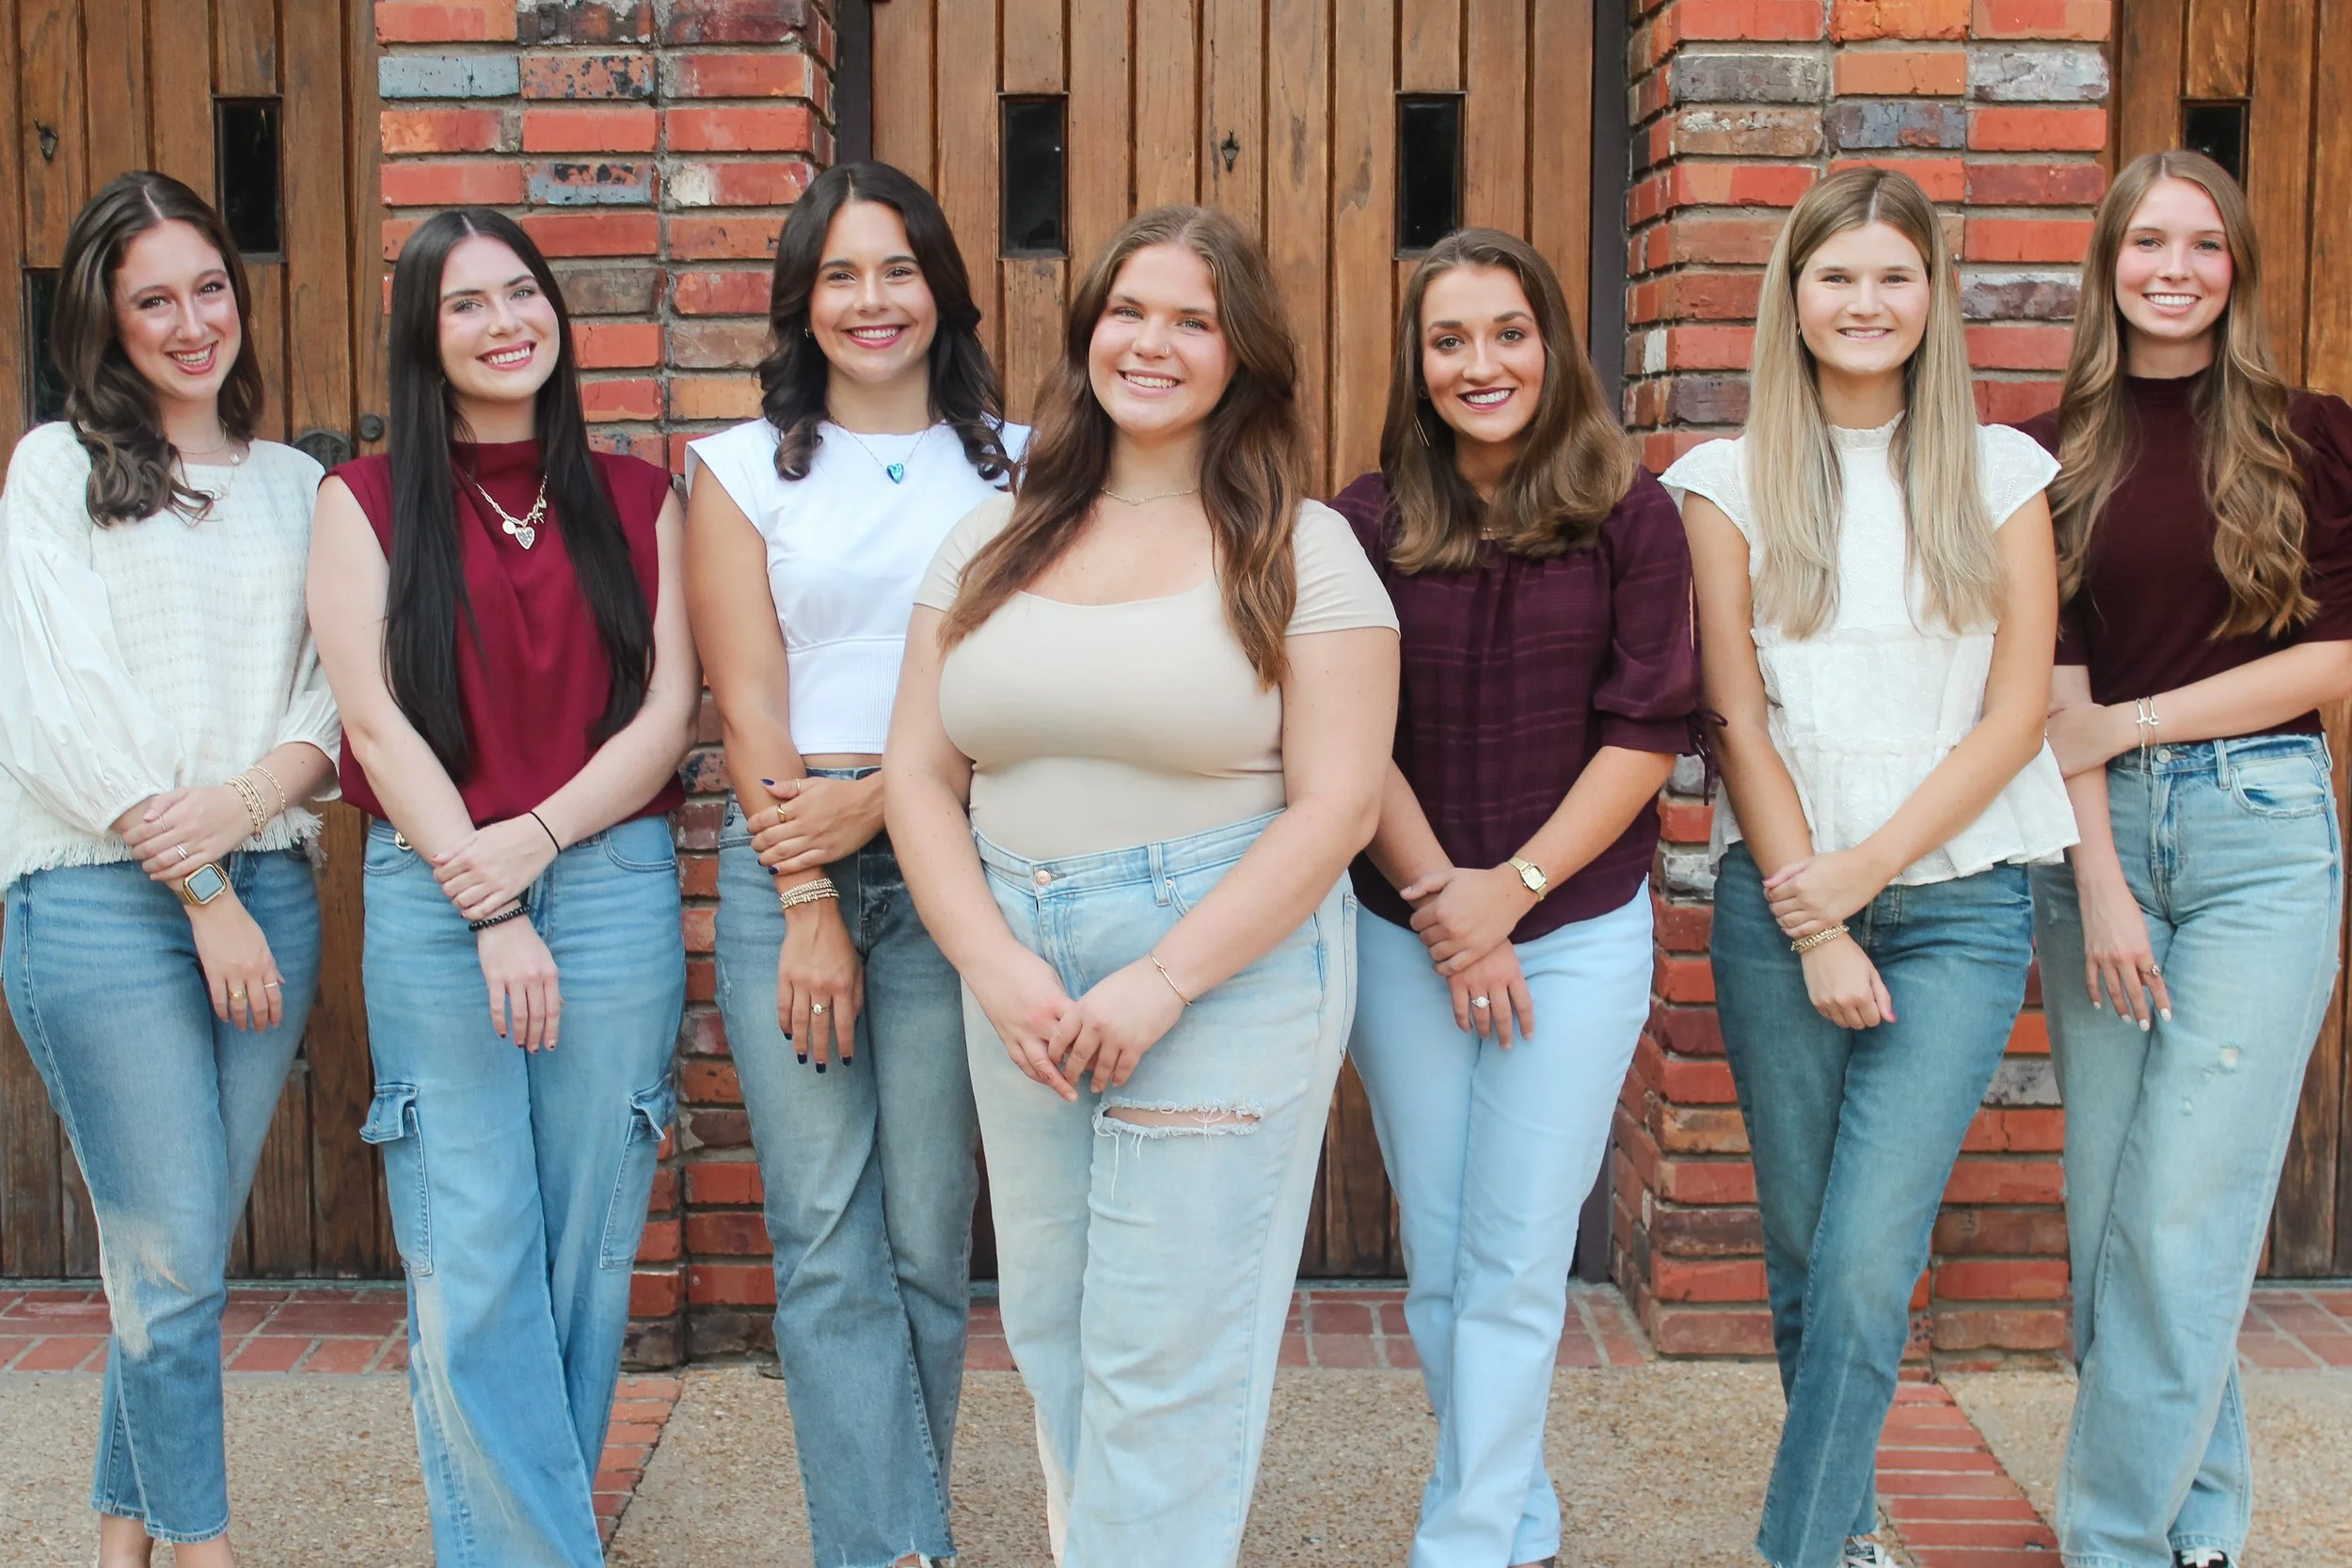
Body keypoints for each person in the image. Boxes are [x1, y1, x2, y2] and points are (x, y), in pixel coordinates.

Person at [884, 204, 1399, 1566]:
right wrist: (996, 965)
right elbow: (920, 780)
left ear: (1243, 356)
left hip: (1221, 965)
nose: (1151, 342)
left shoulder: (1306, 548)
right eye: (1129, 310)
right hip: (1024, 966)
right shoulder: (988, 540)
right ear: (1087, 332)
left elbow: (1340, 801)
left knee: (1163, 1360)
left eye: (1193, 318)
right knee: (1055, 1333)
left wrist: (1167, 975)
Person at [1661, 167, 2075, 1568]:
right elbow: (1735, 712)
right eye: (1837, 275)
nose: (1865, 301)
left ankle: (1794, 1549)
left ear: (1933, 298)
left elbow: (2015, 714)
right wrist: (1816, 914)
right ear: (1794, 294)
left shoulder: (2005, 473)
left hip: (1961, 906)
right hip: (1779, 907)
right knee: (1802, 1259)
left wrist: (1871, 874)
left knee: (1859, 1262)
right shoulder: (1719, 484)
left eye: (1894, 275)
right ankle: (1844, 1531)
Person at [306, 208, 699, 1568]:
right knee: (474, 1252)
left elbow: (669, 713)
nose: (502, 323)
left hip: (610, 882)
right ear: (424, 334)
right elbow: (370, 714)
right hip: (433, 891)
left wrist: (533, 842)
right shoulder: (360, 502)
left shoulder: (644, 498)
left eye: (520, 293)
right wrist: (489, 894)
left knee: (584, 1253)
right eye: (464, 304)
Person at [1330, 227, 1698, 1568]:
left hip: (1580, 931)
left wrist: (1515, 893)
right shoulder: (1361, 524)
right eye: (1450, 339)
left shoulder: (1631, 514)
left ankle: (1470, 1537)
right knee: (1443, 1261)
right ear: (1418, 363)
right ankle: (1518, 1515)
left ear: (1552, 343)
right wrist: (1446, 901)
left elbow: (1647, 728)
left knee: (1518, 1256)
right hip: (1405, 934)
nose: (1481, 363)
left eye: (1507, 332)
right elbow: (1345, 739)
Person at [683, 159, 1026, 1568]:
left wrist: (887, 797)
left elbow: (1022, 675)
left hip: (956, 860)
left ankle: (899, 1535)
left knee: (928, 1237)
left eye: (897, 269)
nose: (872, 299)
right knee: (824, 1236)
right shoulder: (737, 467)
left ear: (941, 284)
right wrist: (812, 892)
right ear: (801, 301)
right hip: (794, 863)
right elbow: (749, 700)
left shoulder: (1021, 460)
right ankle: (894, 1549)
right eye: (840, 273)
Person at [2018, 150, 2352, 1568]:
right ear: (2107, 264)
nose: (2172, 267)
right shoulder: (2044, 454)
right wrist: (2095, 867)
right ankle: (2202, 1521)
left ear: (2237, 267)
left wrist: (2134, 725)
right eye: (2146, 241)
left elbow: (2329, 659)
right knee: (2115, 1212)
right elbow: (2050, 679)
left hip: (2259, 833)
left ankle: (2111, 1537)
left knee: (2186, 1201)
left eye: (2202, 244)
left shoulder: (2315, 435)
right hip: (2091, 845)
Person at [0, 170, 338, 1568]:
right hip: (99, 899)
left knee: (167, 1266)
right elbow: (58, 699)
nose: (191, 322)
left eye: (209, 288)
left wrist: (250, 808)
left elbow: (334, 698)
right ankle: (204, 1549)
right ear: (106, 318)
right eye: (154, 299)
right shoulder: (53, 469)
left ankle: (120, 1543)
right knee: (180, 1262)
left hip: (271, 890)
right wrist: (198, 887)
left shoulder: (302, 487)